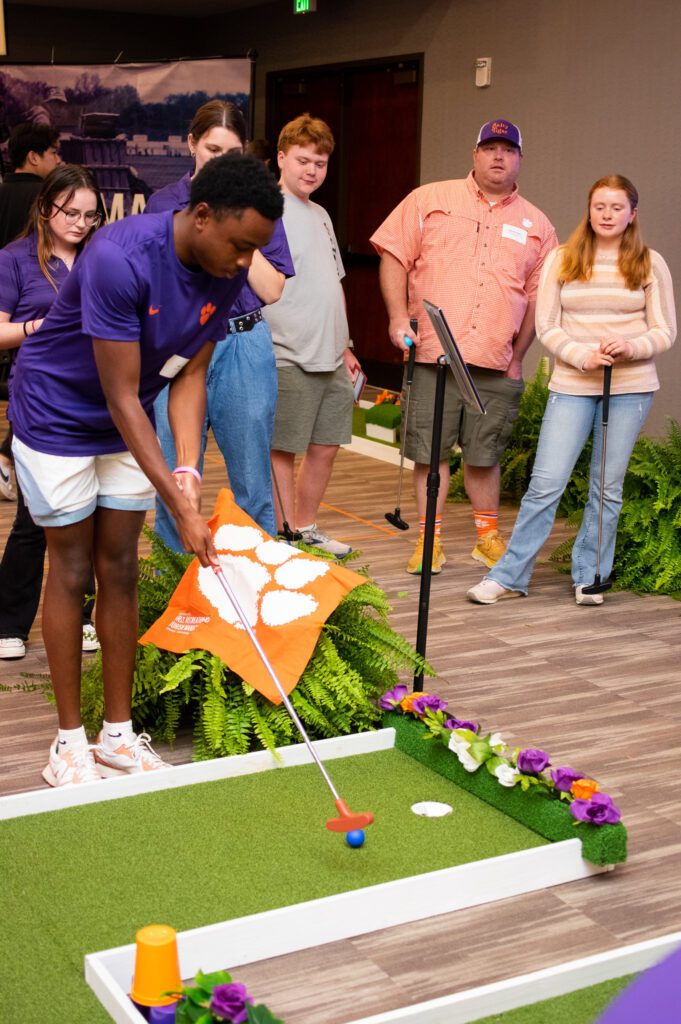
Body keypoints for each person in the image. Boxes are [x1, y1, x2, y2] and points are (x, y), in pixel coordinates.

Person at [10, 153, 283, 786]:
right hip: (58, 417)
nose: (246, 264)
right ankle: (69, 742)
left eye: (256, 251)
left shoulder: (225, 270)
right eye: (242, 247)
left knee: (122, 567)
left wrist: (187, 469)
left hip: (127, 421)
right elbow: (120, 395)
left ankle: (117, 735)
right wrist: (182, 508)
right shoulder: (118, 258)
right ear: (203, 215)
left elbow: (189, 373)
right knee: (73, 566)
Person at [467, 175, 676, 606]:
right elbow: (547, 326)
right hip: (572, 384)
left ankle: (590, 575)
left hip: (630, 388)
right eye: (600, 206)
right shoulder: (563, 259)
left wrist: (631, 347)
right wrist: (582, 356)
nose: (607, 214)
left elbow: (665, 331)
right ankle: (509, 575)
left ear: (632, 214)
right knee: (545, 483)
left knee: (606, 486)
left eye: (617, 208)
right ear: (589, 209)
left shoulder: (650, 263)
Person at [370, 119, 557, 575]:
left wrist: (518, 357)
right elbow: (395, 254)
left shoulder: (537, 224)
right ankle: (429, 542)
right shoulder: (429, 199)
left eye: (508, 150)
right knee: (429, 453)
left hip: (495, 361)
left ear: (519, 159)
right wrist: (397, 317)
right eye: (490, 147)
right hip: (435, 351)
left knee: (485, 454)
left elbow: (539, 296)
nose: (498, 156)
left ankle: (486, 538)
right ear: (474, 154)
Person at [145, 100, 293, 542]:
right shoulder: (164, 202)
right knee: (175, 483)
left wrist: (237, 222)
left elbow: (271, 289)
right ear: (191, 144)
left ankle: (256, 594)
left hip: (243, 343)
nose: (220, 162)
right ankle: (177, 597)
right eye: (211, 151)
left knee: (252, 484)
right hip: (179, 345)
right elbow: (155, 284)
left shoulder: (262, 204)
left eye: (231, 154)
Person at [0, 164, 105, 660]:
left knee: (90, 515)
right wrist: (43, 326)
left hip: (96, 403)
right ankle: (10, 623)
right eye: (70, 212)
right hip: (38, 403)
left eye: (90, 215)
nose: (81, 223)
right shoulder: (15, 260)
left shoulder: (100, 257)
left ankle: (84, 615)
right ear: (45, 209)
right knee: (33, 519)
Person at [265, 113, 361, 557]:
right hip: (287, 352)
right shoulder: (266, 208)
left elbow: (333, 282)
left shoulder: (320, 213)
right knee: (283, 447)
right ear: (281, 158)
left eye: (320, 164)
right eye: (303, 160)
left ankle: (306, 526)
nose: (311, 171)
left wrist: (346, 346)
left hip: (331, 352)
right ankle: (284, 535)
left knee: (326, 446)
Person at [0, 122, 62, 500]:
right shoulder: (45, 198)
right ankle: (13, 456)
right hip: (36, 303)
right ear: (34, 156)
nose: (58, 159)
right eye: (54, 152)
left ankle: (9, 457)